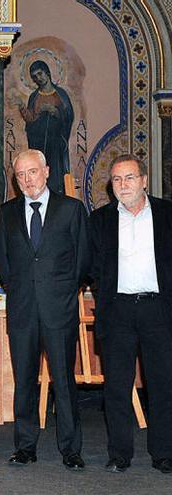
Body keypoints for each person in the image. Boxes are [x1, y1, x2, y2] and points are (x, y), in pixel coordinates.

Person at [0, 149, 90, 471]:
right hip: (22, 310)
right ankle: (25, 447)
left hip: (59, 309)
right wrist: (21, 290)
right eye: (20, 175)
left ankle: (71, 449)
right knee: (24, 382)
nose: (26, 180)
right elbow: (3, 262)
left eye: (32, 172)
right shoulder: (6, 212)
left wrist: (61, 290)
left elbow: (82, 260)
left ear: (46, 171)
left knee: (64, 381)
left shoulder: (71, 209)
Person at [89, 155, 172, 474]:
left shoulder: (167, 214)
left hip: (159, 310)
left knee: (163, 385)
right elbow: (93, 265)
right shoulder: (100, 219)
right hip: (118, 310)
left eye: (129, 178)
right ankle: (119, 454)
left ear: (144, 180)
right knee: (117, 387)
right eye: (117, 180)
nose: (123, 185)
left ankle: (164, 453)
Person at [17, 60, 74, 195]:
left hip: (55, 144)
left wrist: (55, 111)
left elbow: (68, 115)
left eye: (40, 74)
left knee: (55, 175)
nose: (38, 78)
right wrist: (21, 106)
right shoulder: (34, 96)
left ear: (47, 72)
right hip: (38, 142)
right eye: (35, 76)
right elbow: (30, 119)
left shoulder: (60, 94)